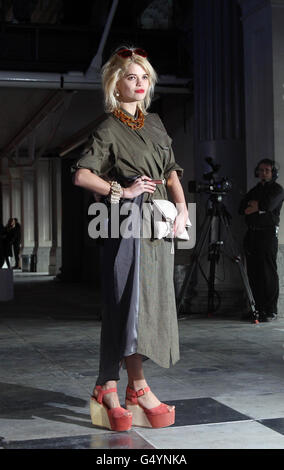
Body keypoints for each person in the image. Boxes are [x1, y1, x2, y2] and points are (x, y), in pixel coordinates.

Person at [72, 46, 188, 431]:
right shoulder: (108, 128)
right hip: (126, 224)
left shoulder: (155, 123)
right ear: (115, 85)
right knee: (126, 304)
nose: (139, 84)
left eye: (144, 78)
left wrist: (182, 209)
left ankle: (129, 388)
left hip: (160, 226)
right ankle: (117, 387)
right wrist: (122, 192)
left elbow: (171, 172)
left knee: (150, 307)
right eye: (131, 77)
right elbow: (82, 175)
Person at [239, 159, 284, 322]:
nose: (263, 173)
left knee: (267, 273)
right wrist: (257, 206)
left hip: (267, 234)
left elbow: (268, 205)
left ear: (273, 173)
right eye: (261, 170)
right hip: (252, 234)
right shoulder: (255, 190)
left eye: (267, 170)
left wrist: (258, 206)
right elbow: (242, 208)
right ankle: (257, 308)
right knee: (253, 273)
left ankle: (270, 310)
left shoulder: (277, 190)